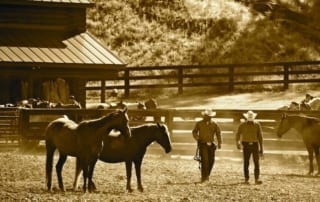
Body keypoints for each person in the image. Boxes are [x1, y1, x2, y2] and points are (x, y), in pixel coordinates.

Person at [192, 109, 222, 182]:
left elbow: (218, 133)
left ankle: (207, 175)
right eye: (207, 116)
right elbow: (194, 132)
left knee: (211, 161)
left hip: (211, 144)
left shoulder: (214, 124)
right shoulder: (199, 123)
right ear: (204, 116)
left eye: (209, 116)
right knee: (204, 161)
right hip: (203, 144)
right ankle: (204, 177)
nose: (208, 117)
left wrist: (220, 142)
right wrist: (197, 138)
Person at [235, 110, 264, 185]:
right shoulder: (242, 125)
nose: (250, 118)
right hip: (246, 144)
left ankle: (256, 178)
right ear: (247, 117)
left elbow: (260, 137)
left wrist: (261, 148)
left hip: (254, 144)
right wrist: (238, 142)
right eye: (249, 117)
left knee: (256, 162)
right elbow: (238, 134)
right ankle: (246, 179)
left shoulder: (257, 125)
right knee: (246, 162)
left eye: (251, 117)